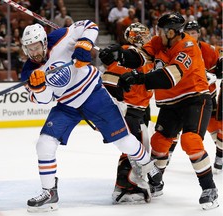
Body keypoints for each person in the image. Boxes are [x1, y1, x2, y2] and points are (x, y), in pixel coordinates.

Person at [20, 20, 161, 212]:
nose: (34, 53)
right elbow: (43, 100)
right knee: (44, 143)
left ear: (44, 42)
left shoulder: (59, 37)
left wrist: (83, 44)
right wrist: (39, 88)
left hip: (93, 94)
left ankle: (148, 165)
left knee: (124, 142)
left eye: (36, 47)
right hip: (67, 105)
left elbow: (89, 24)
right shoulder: (28, 71)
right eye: (29, 49)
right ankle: (49, 192)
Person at [99, 12, 219, 210]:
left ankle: (209, 188)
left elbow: (168, 78)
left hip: (194, 100)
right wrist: (118, 54)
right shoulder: (158, 42)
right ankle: (157, 183)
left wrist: (138, 78)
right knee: (158, 143)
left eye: (160, 30)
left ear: (171, 32)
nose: (156, 33)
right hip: (170, 104)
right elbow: (140, 57)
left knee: (191, 141)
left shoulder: (187, 47)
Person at [99, 22, 156, 204]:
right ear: (134, 37)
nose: (147, 38)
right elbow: (108, 81)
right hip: (129, 110)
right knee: (134, 148)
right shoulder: (127, 53)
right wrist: (120, 100)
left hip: (141, 109)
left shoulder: (146, 56)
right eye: (143, 35)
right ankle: (125, 186)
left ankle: (129, 184)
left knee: (139, 147)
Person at [167, 20, 223, 172]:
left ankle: (220, 155)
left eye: (194, 33)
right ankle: (166, 156)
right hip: (184, 95)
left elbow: (219, 63)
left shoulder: (209, 50)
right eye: (188, 33)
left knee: (217, 127)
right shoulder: (178, 48)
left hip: (206, 96)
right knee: (174, 129)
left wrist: (215, 72)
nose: (191, 35)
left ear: (199, 33)